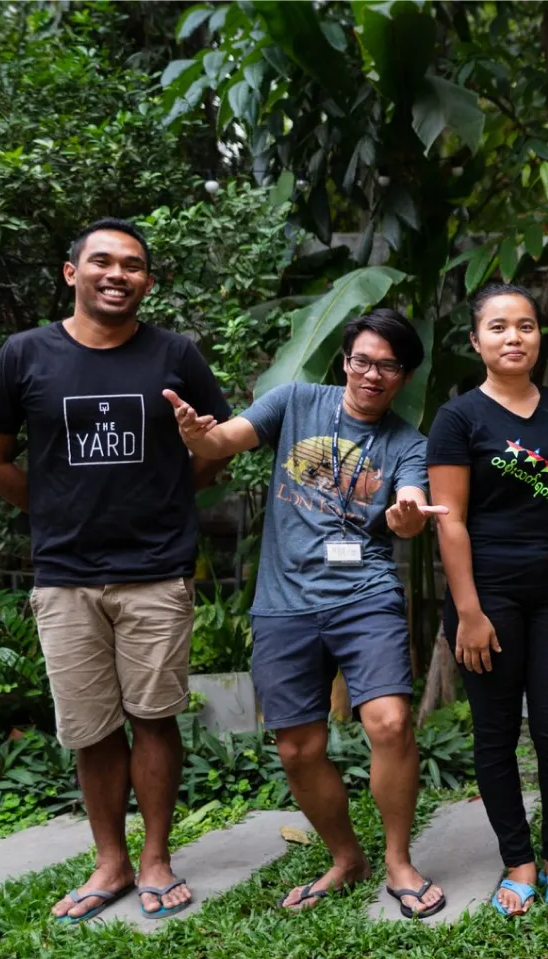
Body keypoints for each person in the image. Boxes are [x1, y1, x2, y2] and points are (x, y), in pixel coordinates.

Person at [0, 218, 231, 922]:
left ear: (148, 281)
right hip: (66, 572)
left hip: (156, 567)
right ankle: (110, 860)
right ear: (71, 271)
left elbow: (216, 446)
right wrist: (51, 506)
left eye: (134, 265)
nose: (119, 274)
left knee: (154, 716)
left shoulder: (175, 354)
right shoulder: (25, 354)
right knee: (90, 726)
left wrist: (168, 496)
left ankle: (156, 858)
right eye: (103, 262)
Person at [164, 308, 448, 919]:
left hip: (364, 594)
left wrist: (406, 511)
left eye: (389, 365)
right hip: (284, 602)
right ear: (345, 361)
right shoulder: (294, 401)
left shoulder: (408, 442)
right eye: (363, 361)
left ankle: (399, 861)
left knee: (391, 722)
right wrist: (196, 436)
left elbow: (411, 497)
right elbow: (225, 440)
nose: (373, 374)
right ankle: (347, 857)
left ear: (403, 375)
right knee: (297, 747)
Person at [425, 284, 548, 925]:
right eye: (498, 327)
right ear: (476, 341)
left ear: (538, 336)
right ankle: (519, 862)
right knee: (498, 735)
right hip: (488, 597)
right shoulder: (459, 418)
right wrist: (468, 612)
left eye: (525, 326)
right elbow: (448, 522)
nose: (514, 337)